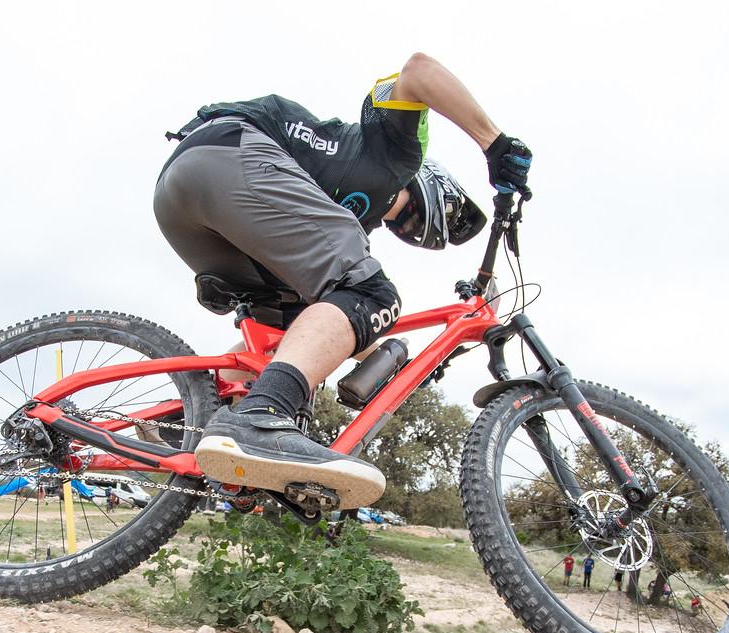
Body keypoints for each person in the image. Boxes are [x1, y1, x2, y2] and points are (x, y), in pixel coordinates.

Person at [155, 53, 531, 509]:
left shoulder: (336, 222)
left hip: (185, 197)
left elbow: (338, 331)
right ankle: (260, 416)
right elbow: (418, 71)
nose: (409, 230)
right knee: (371, 293)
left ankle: (183, 424)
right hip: (231, 152)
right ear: (433, 187)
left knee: (289, 335)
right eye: (415, 221)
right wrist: (494, 143)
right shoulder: (396, 153)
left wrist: (423, 355)